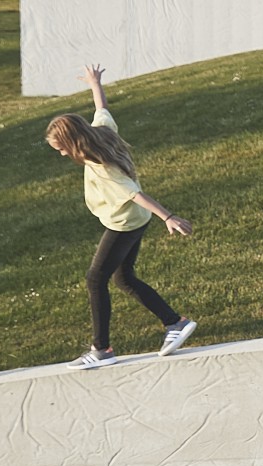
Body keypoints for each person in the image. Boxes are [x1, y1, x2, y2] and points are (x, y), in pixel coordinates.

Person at [47, 64, 200, 371]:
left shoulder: (100, 164)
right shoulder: (102, 132)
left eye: (61, 149)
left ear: (74, 143)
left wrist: (168, 216)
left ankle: (101, 349)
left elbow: (133, 193)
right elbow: (101, 107)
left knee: (95, 279)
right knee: (123, 278)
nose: (62, 155)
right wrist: (94, 83)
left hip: (124, 222)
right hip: (134, 218)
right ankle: (175, 322)